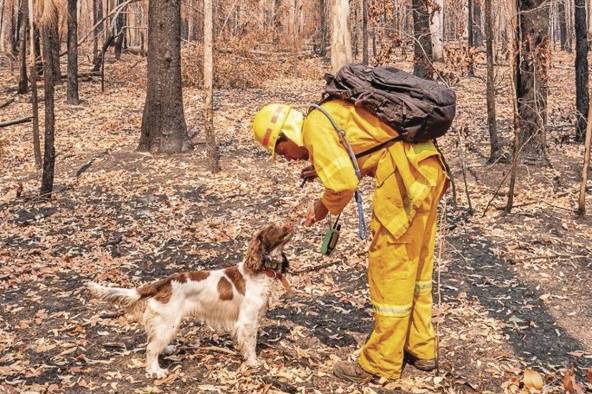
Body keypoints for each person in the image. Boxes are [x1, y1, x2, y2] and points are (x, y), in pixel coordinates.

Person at [251, 99, 448, 383]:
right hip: (426, 169)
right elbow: (364, 147)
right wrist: (320, 168)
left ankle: (381, 363)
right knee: (415, 267)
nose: (288, 158)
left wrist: (321, 208)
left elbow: (343, 183)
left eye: (281, 151)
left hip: (404, 180)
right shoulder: (325, 116)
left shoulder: (315, 127)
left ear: (288, 134)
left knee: (389, 270)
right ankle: (420, 346)